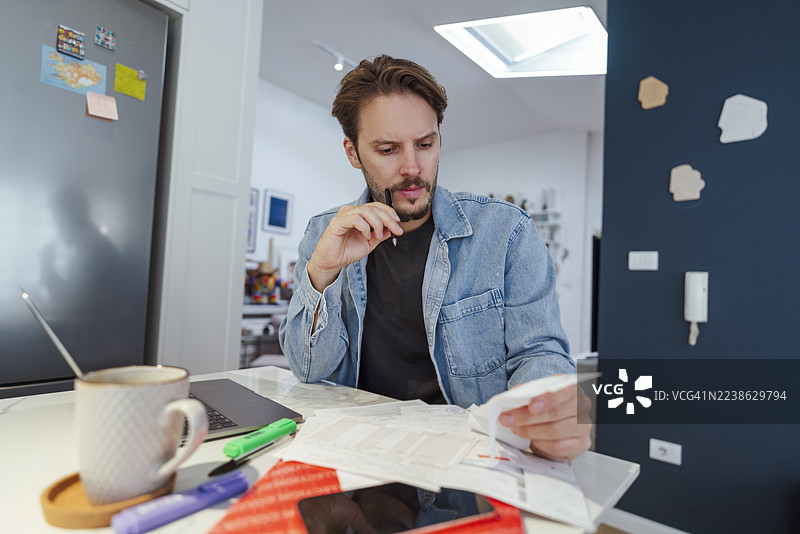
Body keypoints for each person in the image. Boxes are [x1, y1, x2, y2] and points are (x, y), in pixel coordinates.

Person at [279, 55, 591, 460]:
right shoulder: (323, 235)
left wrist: (546, 411)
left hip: (467, 459)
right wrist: (322, 271)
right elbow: (309, 371)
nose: (413, 168)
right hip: (359, 452)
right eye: (388, 149)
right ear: (353, 153)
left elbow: (539, 353)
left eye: (425, 144)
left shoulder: (506, 232)